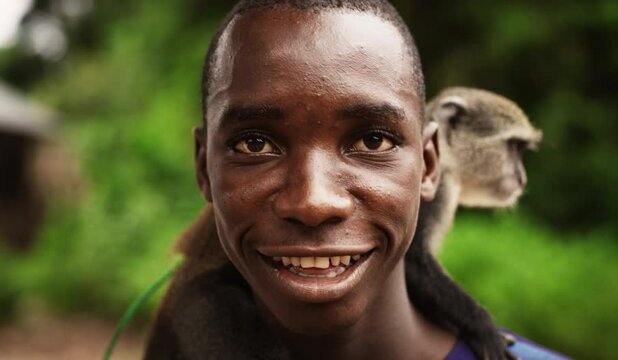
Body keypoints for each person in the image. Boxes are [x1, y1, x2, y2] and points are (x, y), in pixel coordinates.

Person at [145, 1, 567, 359]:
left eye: (372, 139)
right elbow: (418, 268)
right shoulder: (206, 304)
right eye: (255, 144)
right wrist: (480, 328)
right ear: (203, 167)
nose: (314, 201)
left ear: (429, 162)